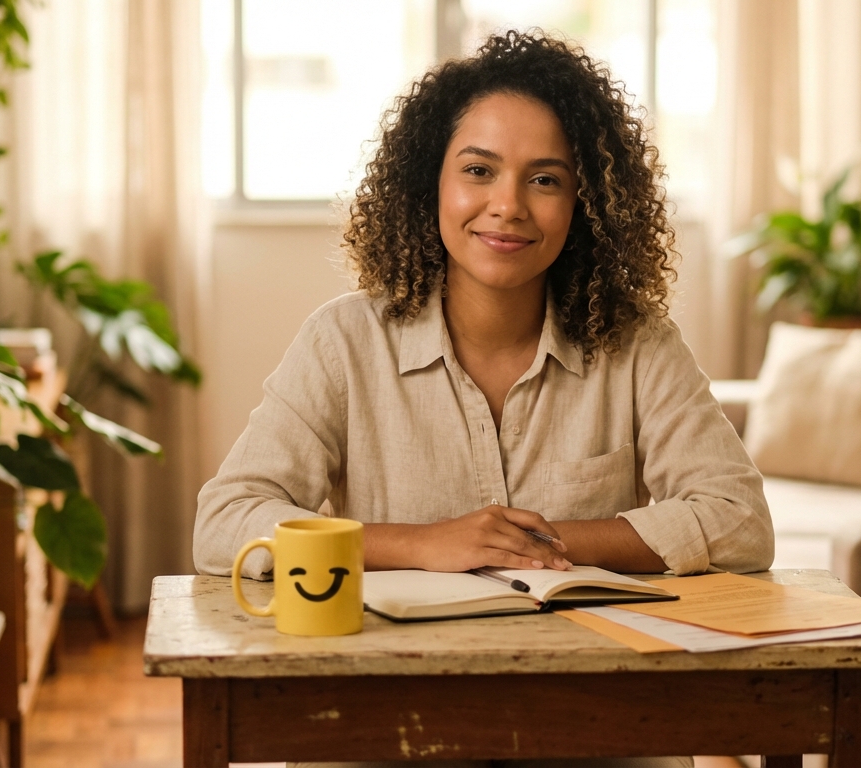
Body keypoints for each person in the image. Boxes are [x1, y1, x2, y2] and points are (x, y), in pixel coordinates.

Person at [195, 29, 772, 768]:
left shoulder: (638, 345)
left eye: (545, 179)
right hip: (386, 722)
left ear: (585, 202)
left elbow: (740, 520)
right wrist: (422, 545)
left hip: (600, 723)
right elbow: (224, 525)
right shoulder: (342, 341)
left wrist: (543, 544)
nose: (508, 206)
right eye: (478, 170)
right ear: (429, 183)